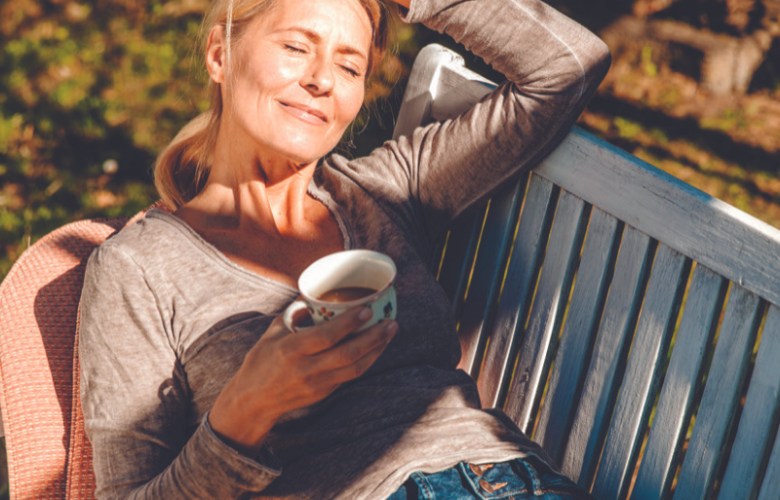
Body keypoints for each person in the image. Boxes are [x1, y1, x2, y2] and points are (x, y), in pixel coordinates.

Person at [77, 0, 611, 497]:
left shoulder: (389, 190)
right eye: (296, 47)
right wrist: (245, 410)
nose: (321, 80)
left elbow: (568, 66)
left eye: (350, 67)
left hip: (510, 478)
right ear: (221, 55)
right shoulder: (137, 268)